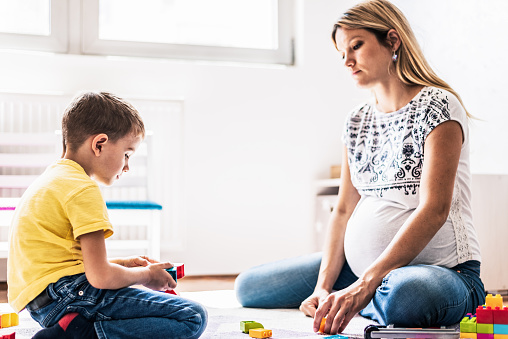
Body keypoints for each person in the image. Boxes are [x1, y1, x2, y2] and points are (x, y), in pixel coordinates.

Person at [235, 0, 485, 335]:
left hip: (440, 272)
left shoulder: (438, 106)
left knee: (409, 297)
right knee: (250, 287)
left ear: (392, 41)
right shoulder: (357, 120)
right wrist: (323, 286)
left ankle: (362, 296)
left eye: (356, 46)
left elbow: (434, 209)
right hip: (362, 270)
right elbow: (342, 210)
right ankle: (351, 295)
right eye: (342, 53)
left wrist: (366, 283)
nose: (347, 61)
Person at [8, 92, 208, 339]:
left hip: (43, 306)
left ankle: (72, 328)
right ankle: (78, 334)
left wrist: (124, 264)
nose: (127, 167)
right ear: (99, 144)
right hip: (71, 298)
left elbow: (72, 263)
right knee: (192, 315)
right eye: (127, 154)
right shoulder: (83, 189)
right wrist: (147, 275)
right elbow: (100, 277)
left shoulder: (51, 180)